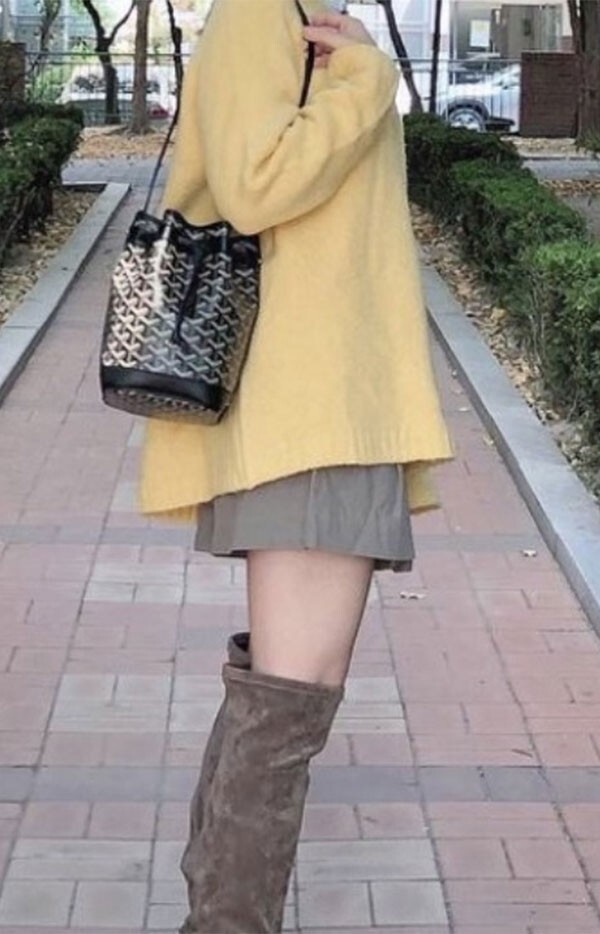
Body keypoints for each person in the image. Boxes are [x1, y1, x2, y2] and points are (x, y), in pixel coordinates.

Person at [137, 0, 453, 930]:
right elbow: (254, 184)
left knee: (276, 702)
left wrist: (358, 74)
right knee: (286, 708)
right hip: (310, 411)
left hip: (331, 405)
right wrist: (367, 83)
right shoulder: (260, 14)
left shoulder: (310, 19)